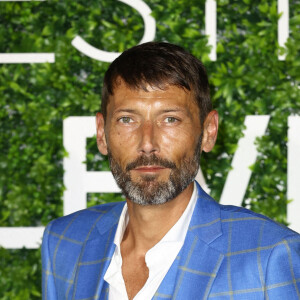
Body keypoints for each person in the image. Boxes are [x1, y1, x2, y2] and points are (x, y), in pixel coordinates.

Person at [42, 42, 300, 300]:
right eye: (127, 119)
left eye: (170, 119)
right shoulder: (64, 243)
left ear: (208, 131)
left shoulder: (267, 257)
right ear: (102, 133)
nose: (147, 144)